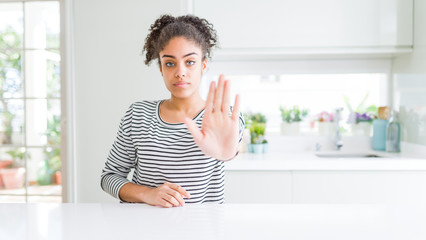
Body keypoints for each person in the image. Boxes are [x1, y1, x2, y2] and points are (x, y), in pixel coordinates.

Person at [100, 14, 245, 207]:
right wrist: (148, 194)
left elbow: (232, 149)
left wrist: (227, 153)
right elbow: (109, 177)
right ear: (160, 68)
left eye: (190, 62)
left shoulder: (224, 117)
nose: (180, 72)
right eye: (170, 63)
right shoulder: (138, 115)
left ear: (203, 65)